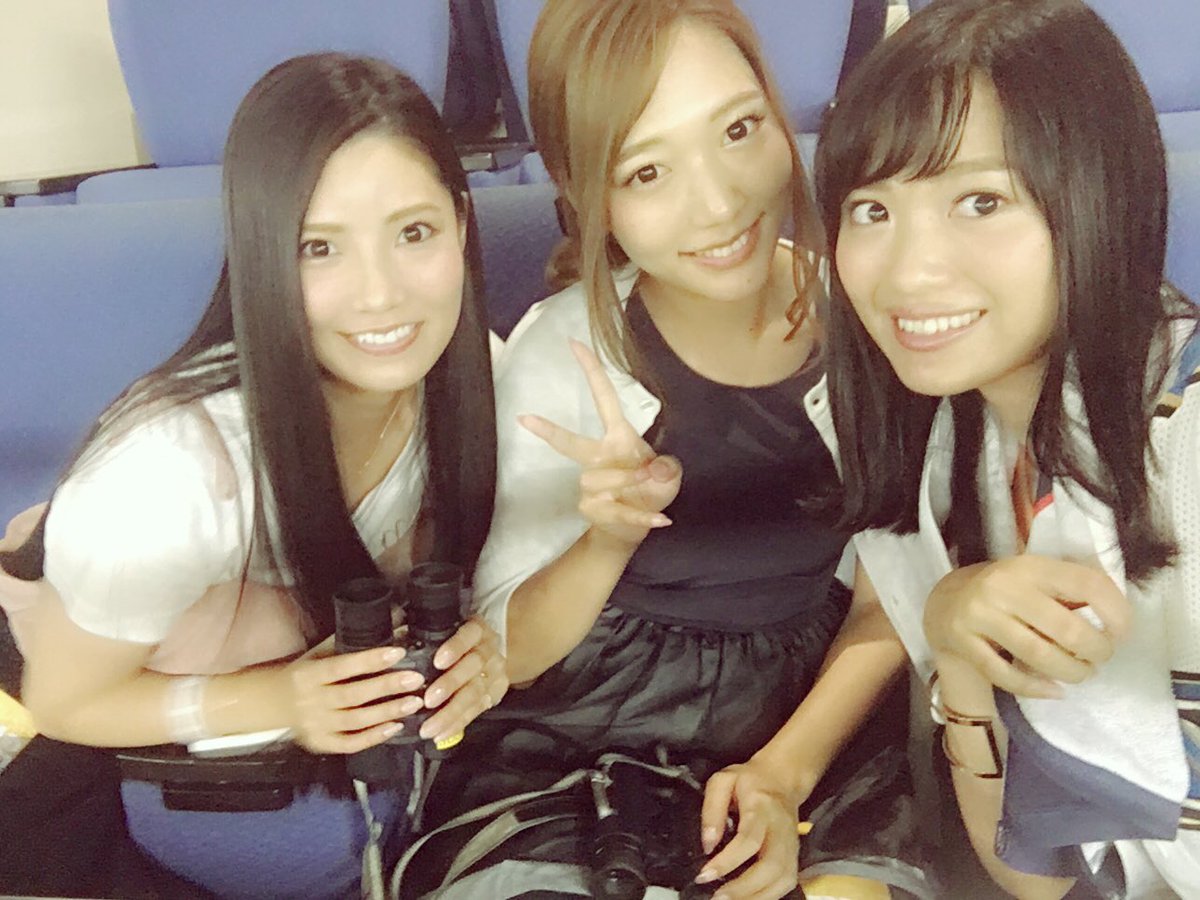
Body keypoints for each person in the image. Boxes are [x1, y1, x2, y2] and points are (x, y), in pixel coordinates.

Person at [0, 52, 507, 900]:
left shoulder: (477, 380)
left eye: (414, 232)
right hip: (129, 778)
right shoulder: (169, 478)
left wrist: (483, 655)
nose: (381, 295)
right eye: (319, 247)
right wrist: (283, 700)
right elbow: (64, 701)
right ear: (263, 256)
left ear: (461, 223)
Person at [461, 2, 933, 898]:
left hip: (813, 717)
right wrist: (606, 539)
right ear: (586, 192)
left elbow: (892, 603)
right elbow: (508, 655)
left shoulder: (870, 315)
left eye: (740, 129)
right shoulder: (564, 352)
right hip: (587, 731)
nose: (719, 203)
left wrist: (783, 773)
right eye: (647, 171)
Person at [813, 0, 1200, 896]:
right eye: (871, 208)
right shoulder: (954, 448)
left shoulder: (1185, 445)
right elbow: (1030, 877)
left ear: (1098, 196)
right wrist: (951, 633)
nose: (908, 271)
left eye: (980, 201)